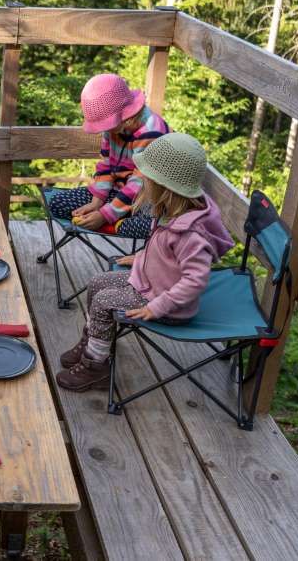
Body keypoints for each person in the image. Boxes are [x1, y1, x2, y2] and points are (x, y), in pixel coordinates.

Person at [55, 133, 234, 392]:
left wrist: (158, 306)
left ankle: (97, 367)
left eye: (146, 179)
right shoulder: (169, 212)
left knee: (105, 301)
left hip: (165, 304)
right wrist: (142, 257)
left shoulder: (191, 234)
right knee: (97, 283)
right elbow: (168, 256)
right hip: (149, 282)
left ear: (165, 187)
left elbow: (195, 280)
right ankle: (93, 342)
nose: (142, 183)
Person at [47, 73, 169, 239]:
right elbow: (106, 165)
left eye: (106, 125)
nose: (104, 130)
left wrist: (105, 215)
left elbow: (139, 184)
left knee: (148, 226)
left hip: (148, 198)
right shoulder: (113, 129)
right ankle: (114, 222)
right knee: (57, 204)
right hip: (118, 192)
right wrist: (96, 202)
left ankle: (117, 223)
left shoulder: (151, 131)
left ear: (124, 116)